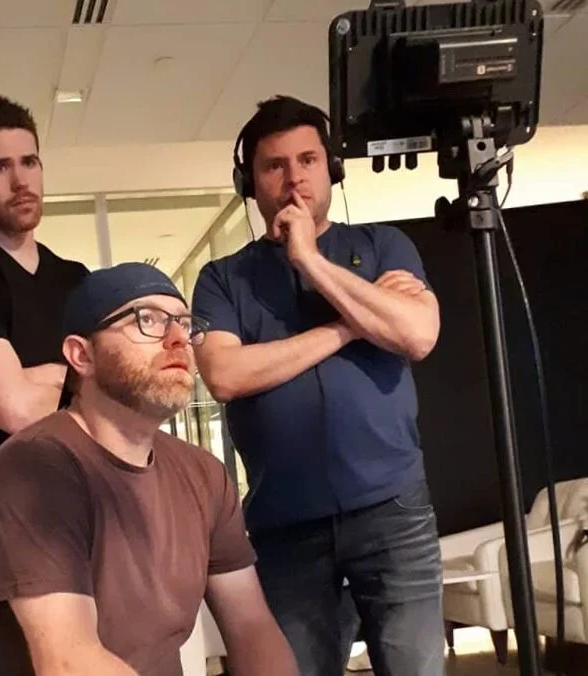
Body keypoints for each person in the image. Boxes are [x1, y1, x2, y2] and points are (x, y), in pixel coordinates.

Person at [191, 95, 444, 676]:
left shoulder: (383, 246)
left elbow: (418, 335)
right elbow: (225, 375)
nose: (293, 178)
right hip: (285, 525)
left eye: (307, 160)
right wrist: (352, 325)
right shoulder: (222, 279)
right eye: (273, 165)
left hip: (393, 509)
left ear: (331, 168)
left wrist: (309, 259)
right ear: (249, 182)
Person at [0, 262, 299, 676]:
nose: (178, 339)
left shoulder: (204, 475)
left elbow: (251, 627)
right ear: (82, 355)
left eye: (184, 324)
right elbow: (69, 661)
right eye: (147, 320)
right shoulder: (34, 470)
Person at [0, 95, 89, 489]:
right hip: (12, 500)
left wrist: (38, 379)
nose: (20, 182)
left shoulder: (77, 279)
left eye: (29, 162)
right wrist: (76, 382)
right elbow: (14, 409)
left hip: (87, 490)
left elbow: (119, 397)